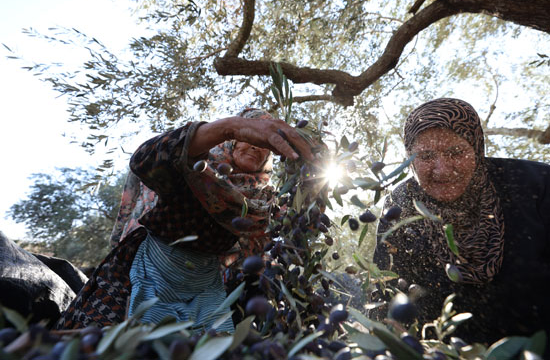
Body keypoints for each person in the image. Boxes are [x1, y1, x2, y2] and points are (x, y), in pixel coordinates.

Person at [55, 108, 313, 332]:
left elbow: (294, 235)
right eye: (249, 139)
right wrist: (229, 127)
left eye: (265, 147)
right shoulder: (195, 165)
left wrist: (316, 179)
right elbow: (144, 159)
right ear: (233, 141)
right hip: (141, 274)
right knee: (102, 345)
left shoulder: (265, 203)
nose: (257, 148)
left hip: (206, 290)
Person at [373, 98, 550, 346]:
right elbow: (385, 291)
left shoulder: (536, 184)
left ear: (476, 148)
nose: (442, 169)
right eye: (425, 156)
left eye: (456, 152)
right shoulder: (399, 205)